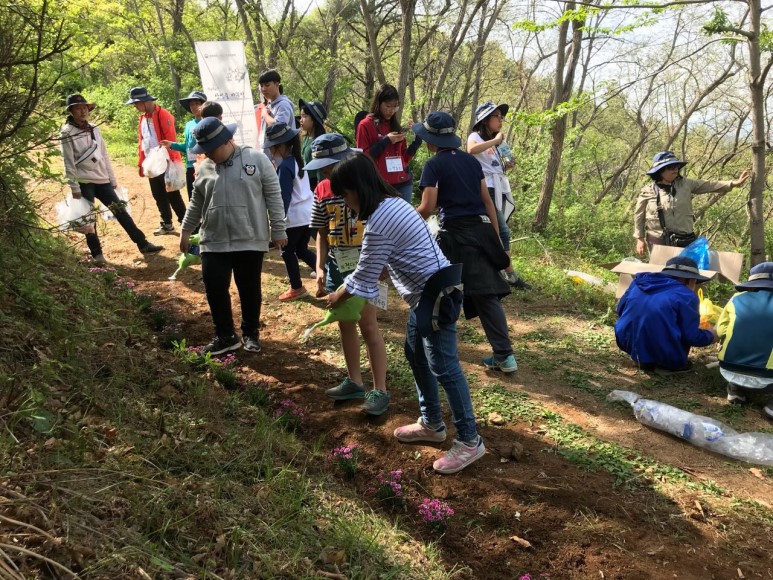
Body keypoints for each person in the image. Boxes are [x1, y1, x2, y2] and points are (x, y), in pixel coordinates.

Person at [327, 153, 485, 474]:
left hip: (436, 295)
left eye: (345, 195)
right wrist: (385, 266)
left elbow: (361, 277)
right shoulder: (394, 203)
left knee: (443, 365)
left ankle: (470, 441)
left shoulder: (379, 222)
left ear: (357, 189)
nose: (345, 203)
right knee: (414, 351)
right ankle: (431, 423)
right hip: (431, 292)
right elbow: (394, 253)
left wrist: (337, 294)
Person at [412, 111, 518, 374]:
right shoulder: (470, 162)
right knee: (486, 294)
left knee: (441, 292)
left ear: (430, 141)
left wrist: (400, 219)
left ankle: (432, 348)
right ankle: (504, 355)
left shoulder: (434, 165)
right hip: (481, 231)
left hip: (455, 235)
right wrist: (493, 235)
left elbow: (427, 207)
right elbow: (486, 201)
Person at [180, 118, 287, 355]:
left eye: (212, 149)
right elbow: (196, 202)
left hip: (249, 237)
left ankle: (251, 333)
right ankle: (225, 335)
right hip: (213, 238)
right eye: (204, 150)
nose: (208, 154)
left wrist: (278, 229)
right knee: (214, 286)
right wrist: (186, 230)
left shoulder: (257, 160)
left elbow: (274, 196)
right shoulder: (205, 166)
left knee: (249, 288)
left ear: (228, 141)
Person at [306, 134, 389, 416]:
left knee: (368, 324)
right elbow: (321, 232)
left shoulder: (366, 185)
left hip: (367, 263)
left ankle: (380, 390)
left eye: (331, 167)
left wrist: (381, 268)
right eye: (324, 169)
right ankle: (355, 380)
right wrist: (319, 267)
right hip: (336, 264)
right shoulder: (321, 189)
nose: (327, 173)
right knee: (344, 321)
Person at [59, 94, 162, 262]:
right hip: (83, 182)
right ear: (71, 111)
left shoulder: (94, 128)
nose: (83, 111)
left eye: (85, 107)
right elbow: (68, 162)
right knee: (89, 218)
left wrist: (112, 179)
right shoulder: (66, 133)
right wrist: (74, 187)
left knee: (120, 211)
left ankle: (142, 243)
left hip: (102, 180)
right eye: (78, 108)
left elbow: (104, 155)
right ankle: (97, 254)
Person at [634, 151, 750, 256]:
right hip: (658, 239)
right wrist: (640, 238)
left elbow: (709, 185)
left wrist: (733, 183)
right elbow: (639, 216)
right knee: (661, 273)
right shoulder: (647, 191)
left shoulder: (686, 184)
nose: (675, 169)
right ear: (660, 171)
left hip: (684, 239)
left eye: (677, 166)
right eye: (670, 167)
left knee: (684, 272)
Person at [467, 101, 530, 290]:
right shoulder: (476, 137)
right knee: (500, 230)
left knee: (497, 230)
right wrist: (496, 140)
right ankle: (508, 273)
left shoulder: (497, 143)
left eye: (501, 117)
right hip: (485, 188)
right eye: (497, 117)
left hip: (499, 187)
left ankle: (501, 270)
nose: (500, 121)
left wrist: (507, 164)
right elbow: (470, 150)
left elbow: (496, 165)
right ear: (486, 120)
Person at [615, 256, 716, 372]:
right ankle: (667, 363)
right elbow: (692, 337)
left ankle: (642, 357)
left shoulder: (638, 283)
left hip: (627, 342)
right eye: (695, 281)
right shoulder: (686, 295)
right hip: (662, 351)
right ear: (689, 280)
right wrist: (712, 334)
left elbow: (620, 309)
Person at [263, 122, 317, 301]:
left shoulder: (285, 166)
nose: (270, 152)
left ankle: (297, 287)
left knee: (287, 252)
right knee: (301, 249)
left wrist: (278, 221)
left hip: (293, 217)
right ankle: (328, 274)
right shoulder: (297, 159)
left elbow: (283, 197)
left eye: (272, 147)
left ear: (281, 146)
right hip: (307, 214)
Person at [125, 86, 187, 235]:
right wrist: (143, 162)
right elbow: (143, 141)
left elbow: (170, 139)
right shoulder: (143, 118)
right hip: (152, 163)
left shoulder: (163, 115)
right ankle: (167, 224)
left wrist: (171, 163)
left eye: (136, 104)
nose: (135, 107)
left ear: (145, 102)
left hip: (165, 162)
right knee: (158, 194)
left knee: (172, 195)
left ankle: (187, 225)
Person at [716, 262, 773, 418]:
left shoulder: (736, 298)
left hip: (728, 369)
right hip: (767, 377)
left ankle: (735, 391)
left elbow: (720, 330)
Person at [356, 83, 422, 204]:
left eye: (395, 107)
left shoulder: (395, 125)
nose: (391, 110)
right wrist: (386, 141)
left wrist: (417, 140)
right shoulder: (365, 125)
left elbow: (405, 158)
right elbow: (362, 158)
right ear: (378, 103)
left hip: (403, 184)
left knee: (404, 221)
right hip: (379, 185)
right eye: (388, 106)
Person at [160, 90, 207, 200]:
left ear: (203, 105)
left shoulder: (209, 121)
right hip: (191, 167)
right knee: (193, 198)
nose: (194, 107)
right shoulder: (189, 124)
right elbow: (187, 147)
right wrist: (171, 144)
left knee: (206, 197)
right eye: (191, 104)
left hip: (205, 165)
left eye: (197, 104)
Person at [256, 69, 296, 157]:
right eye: (261, 85)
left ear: (277, 84)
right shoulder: (269, 105)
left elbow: (278, 127)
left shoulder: (283, 105)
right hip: (269, 156)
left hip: (281, 156)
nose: (263, 89)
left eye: (267, 85)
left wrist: (265, 115)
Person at [298, 99, 327, 190]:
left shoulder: (320, 142)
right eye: (301, 116)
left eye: (304, 116)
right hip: (305, 183)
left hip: (315, 186)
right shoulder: (305, 137)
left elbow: (321, 172)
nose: (301, 120)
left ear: (314, 120)